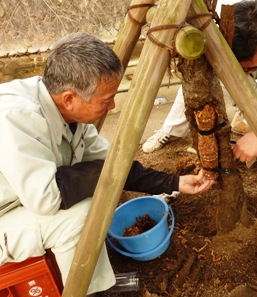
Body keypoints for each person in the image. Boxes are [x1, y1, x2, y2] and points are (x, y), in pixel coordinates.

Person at [0, 32, 213, 295]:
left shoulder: (64, 110)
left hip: (18, 202)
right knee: (79, 214)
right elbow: (48, 197)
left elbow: (112, 162)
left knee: (97, 191)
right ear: (69, 98)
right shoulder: (15, 116)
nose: (113, 106)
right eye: (105, 100)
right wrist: (106, 173)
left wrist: (173, 182)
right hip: (6, 214)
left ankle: (96, 284)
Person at [142, 0, 257, 191]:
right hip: (233, 50)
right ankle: (170, 129)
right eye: (243, 69)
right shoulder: (219, 19)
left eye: (254, 67)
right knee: (198, 83)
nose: (248, 73)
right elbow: (242, 87)